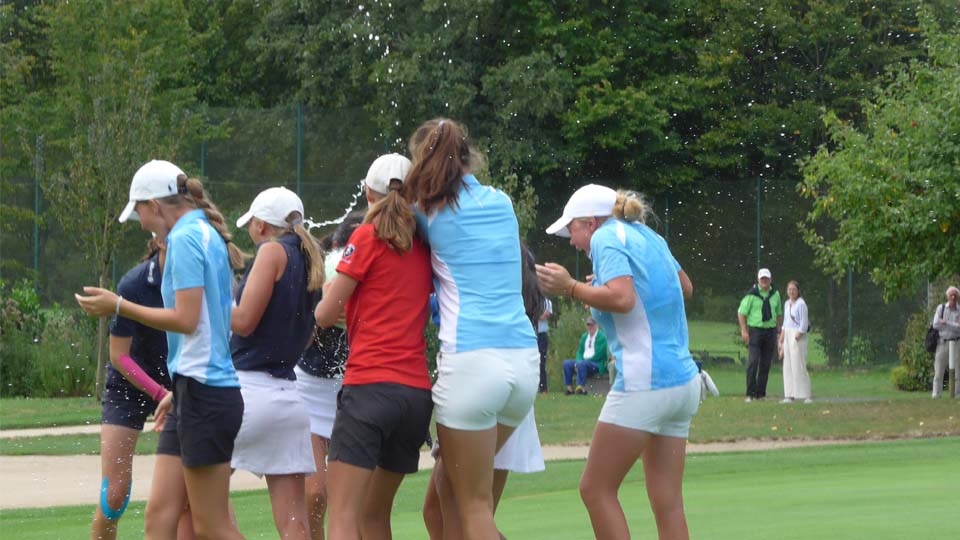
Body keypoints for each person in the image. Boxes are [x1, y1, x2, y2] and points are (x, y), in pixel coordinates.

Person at [76, 160, 246, 540]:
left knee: (211, 526)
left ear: (155, 205)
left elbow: (186, 319)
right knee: (160, 517)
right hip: (193, 390)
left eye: (139, 211)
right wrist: (176, 389)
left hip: (207, 393)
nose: (140, 223)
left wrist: (117, 306)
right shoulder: (203, 232)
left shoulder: (186, 238)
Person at [537, 184, 700, 540]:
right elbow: (683, 286)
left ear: (591, 223)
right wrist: (603, 287)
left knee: (595, 489)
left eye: (572, 230)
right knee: (668, 501)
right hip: (684, 382)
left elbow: (623, 300)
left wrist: (572, 288)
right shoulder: (648, 235)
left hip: (645, 383)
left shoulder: (605, 239)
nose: (571, 240)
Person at [404, 118, 539, 540]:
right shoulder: (501, 201)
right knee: (447, 487)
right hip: (523, 366)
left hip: (472, 366)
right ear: (468, 155)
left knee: (473, 509)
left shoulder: (427, 212)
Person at [314, 153, 434, 540]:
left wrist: (333, 298)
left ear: (368, 192)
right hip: (415, 395)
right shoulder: (424, 243)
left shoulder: (366, 236)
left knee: (344, 517)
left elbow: (324, 314)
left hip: (370, 389)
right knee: (374, 515)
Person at [423, 245, 546, 540]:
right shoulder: (509, 254)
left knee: (465, 510)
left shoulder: (479, 262)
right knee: (439, 510)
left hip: (484, 384)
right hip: (495, 382)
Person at [230, 187, 324, 540]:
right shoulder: (310, 257)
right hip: (288, 397)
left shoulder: (270, 252)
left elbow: (243, 322)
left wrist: (207, 299)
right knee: (294, 524)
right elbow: (309, 334)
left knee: (194, 504)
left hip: (245, 393)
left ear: (261, 225)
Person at [91, 237, 193, 540]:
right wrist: (161, 394)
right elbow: (118, 356)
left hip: (181, 383)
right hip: (130, 385)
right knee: (114, 497)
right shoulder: (134, 284)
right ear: (158, 240)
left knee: (187, 498)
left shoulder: (196, 280)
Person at [295, 210, 365, 540]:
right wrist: (322, 311)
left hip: (354, 388)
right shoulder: (318, 272)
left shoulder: (375, 273)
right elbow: (298, 338)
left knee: (352, 501)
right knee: (315, 494)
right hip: (308, 386)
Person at [737, 268, 783, 402]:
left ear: (770, 280)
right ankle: (750, 393)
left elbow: (778, 313)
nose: (764, 281)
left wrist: (779, 330)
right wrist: (744, 330)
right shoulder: (752, 295)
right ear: (758, 280)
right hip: (755, 331)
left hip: (770, 331)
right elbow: (741, 312)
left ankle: (760, 394)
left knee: (765, 364)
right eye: (762, 279)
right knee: (753, 361)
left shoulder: (775, 294)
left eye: (767, 279)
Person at [778, 280, 812, 404]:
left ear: (798, 291)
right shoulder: (787, 304)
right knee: (788, 366)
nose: (791, 292)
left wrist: (797, 336)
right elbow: (785, 324)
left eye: (794, 289)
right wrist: (781, 340)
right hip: (787, 333)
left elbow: (803, 323)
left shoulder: (801, 304)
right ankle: (789, 395)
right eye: (789, 289)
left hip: (797, 335)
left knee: (799, 365)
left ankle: (805, 395)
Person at [562, 317, 609, 395]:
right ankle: (569, 388)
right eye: (588, 325)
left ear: (596, 325)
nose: (590, 327)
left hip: (596, 363)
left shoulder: (602, 337)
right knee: (567, 363)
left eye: (592, 325)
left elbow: (599, 355)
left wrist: (583, 362)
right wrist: (578, 361)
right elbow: (580, 352)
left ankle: (581, 388)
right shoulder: (584, 337)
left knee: (582, 364)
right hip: (584, 362)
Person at [931, 286, 960, 398]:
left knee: (958, 370)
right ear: (947, 296)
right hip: (942, 343)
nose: (953, 297)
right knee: (939, 369)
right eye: (951, 295)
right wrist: (954, 324)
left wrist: (946, 323)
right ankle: (936, 394)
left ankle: (957, 394)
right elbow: (936, 324)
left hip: (957, 343)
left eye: (955, 295)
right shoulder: (941, 308)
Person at [537, 298, 553, 393]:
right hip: (532, 334)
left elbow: (546, 315)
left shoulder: (546, 301)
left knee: (542, 362)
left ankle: (543, 388)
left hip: (542, 334)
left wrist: (536, 315)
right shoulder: (530, 299)